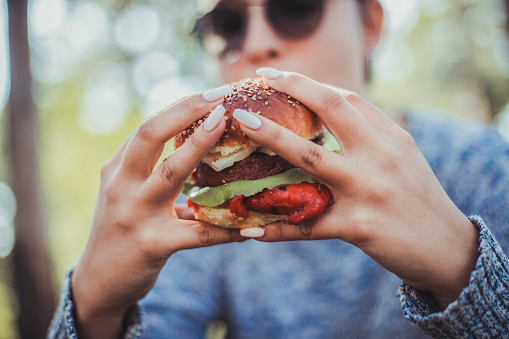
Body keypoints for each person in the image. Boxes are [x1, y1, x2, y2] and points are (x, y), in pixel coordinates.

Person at [48, 0, 509, 338]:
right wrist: (94, 306)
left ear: (369, 23)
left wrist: (462, 272)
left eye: (294, 7)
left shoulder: (480, 166)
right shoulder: (185, 219)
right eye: (227, 23)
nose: (257, 42)